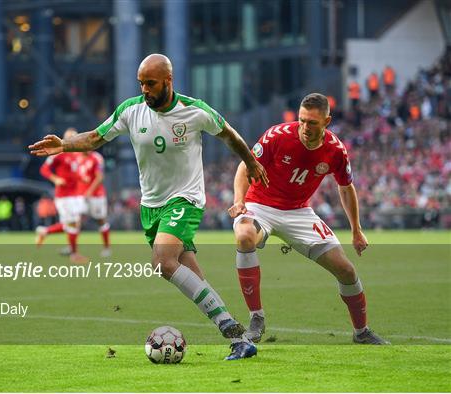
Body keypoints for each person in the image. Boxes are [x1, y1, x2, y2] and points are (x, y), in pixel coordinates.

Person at [29, 53, 269, 360]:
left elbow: (229, 135)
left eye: (151, 83)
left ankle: (234, 334)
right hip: (151, 206)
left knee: (162, 261)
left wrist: (250, 162)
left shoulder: (194, 111)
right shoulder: (130, 110)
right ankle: (236, 336)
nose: (145, 89)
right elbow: (94, 138)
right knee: (192, 276)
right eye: (141, 83)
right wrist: (63, 145)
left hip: (185, 199)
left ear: (168, 81)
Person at [228, 93, 389, 345]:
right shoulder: (277, 135)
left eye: (312, 123)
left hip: (299, 212)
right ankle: (256, 317)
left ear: (326, 121)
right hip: (260, 205)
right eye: (302, 120)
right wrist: (239, 201)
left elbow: (346, 187)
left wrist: (356, 230)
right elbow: (244, 166)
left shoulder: (336, 150)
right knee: (245, 236)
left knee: (346, 269)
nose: (305, 127)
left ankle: (362, 332)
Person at [35, 128, 87, 264]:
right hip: (64, 196)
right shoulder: (59, 153)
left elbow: (74, 173)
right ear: (64, 138)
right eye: (70, 136)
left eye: (75, 136)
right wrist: (55, 179)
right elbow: (44, 169)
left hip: (76, 194)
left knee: (72, 224)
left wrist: (82, 177)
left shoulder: (77, 154)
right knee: (72, 223)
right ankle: (74, 254)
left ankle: (45, 231)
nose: (73, 138)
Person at [77, 150, 111, 257]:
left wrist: (90, 191)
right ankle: (73, 249)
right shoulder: (77, 157)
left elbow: (100, 177)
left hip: (96, 195)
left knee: (100, 220)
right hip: (80, 195)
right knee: (76, 220)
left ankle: (106, 248)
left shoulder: (96, 157)